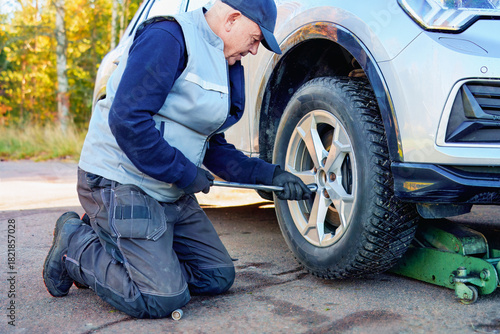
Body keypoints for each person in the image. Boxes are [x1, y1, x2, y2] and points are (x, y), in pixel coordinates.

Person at [43, 0, 311, 319]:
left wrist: (271, 176)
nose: (255, 50)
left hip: (166, 187)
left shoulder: (226, 64)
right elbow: (128, 120)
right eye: (255, 38)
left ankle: (127, 244)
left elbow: (212, 145)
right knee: (161, 298)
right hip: (119, 179)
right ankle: (76, 242)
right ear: (233, 19)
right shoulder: (169, 38)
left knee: (216, 276)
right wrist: (184, 172)